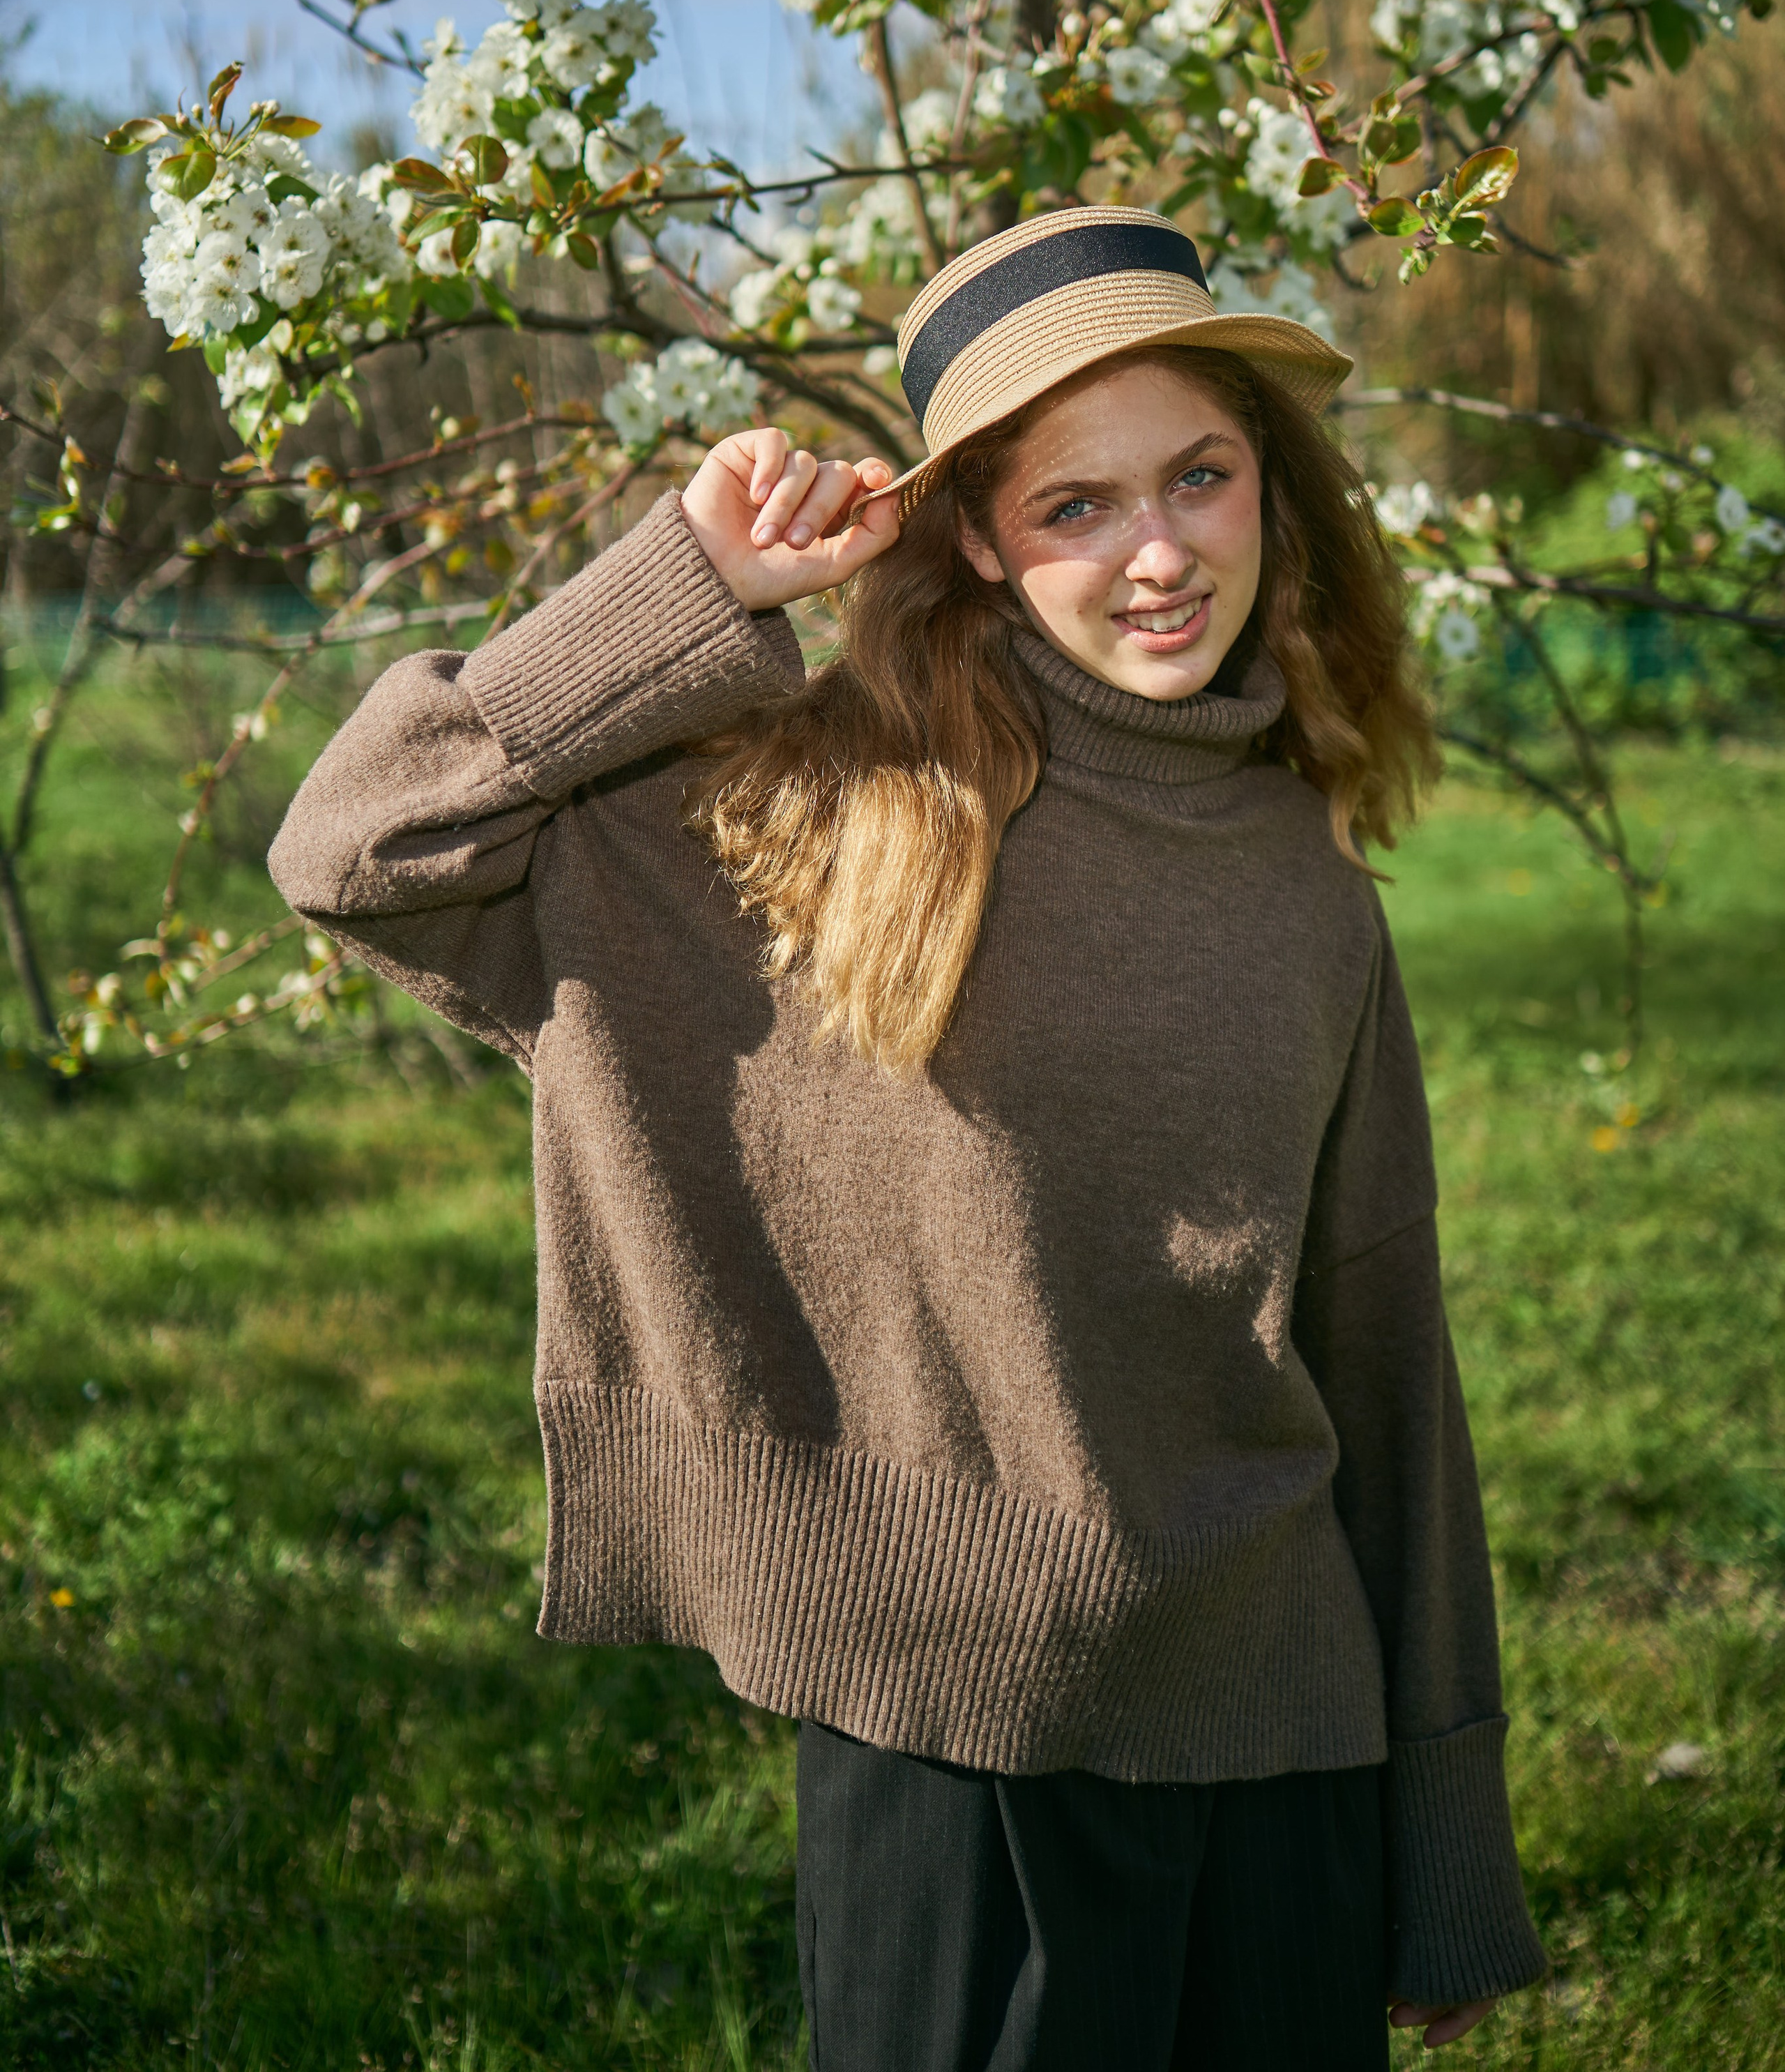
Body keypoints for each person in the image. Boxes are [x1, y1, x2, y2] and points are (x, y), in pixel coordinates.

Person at [270, 204, 1547, 2069]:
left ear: (1271, 489)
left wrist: (1439, 1846)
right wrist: (692, 579)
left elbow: (1386, 1360)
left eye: (1199, 477)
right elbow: (358, 847)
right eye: (1077, 506)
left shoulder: (1308, 888)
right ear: (973, 536)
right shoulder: (818, 827)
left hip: (1286, 1749)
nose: (1162, 552)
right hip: (957, 1758)